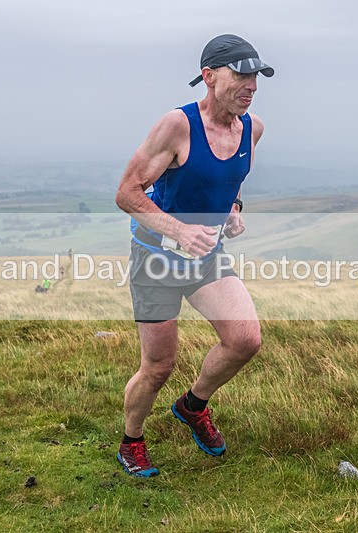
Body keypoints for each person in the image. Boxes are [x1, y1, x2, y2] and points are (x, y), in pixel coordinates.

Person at [114, 34, 273, 477]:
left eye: (256, 76)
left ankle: (193, 406)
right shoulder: (177, 126)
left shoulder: (251, 128)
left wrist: (235, 210)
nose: (252, 85)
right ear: (208, 76)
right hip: (157, 258)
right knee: (158, 366)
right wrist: (179, 230)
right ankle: (132, 440)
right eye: (241, 75)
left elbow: (232, 178)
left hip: (207, 256)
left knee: (245, 341)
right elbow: (127, 193)